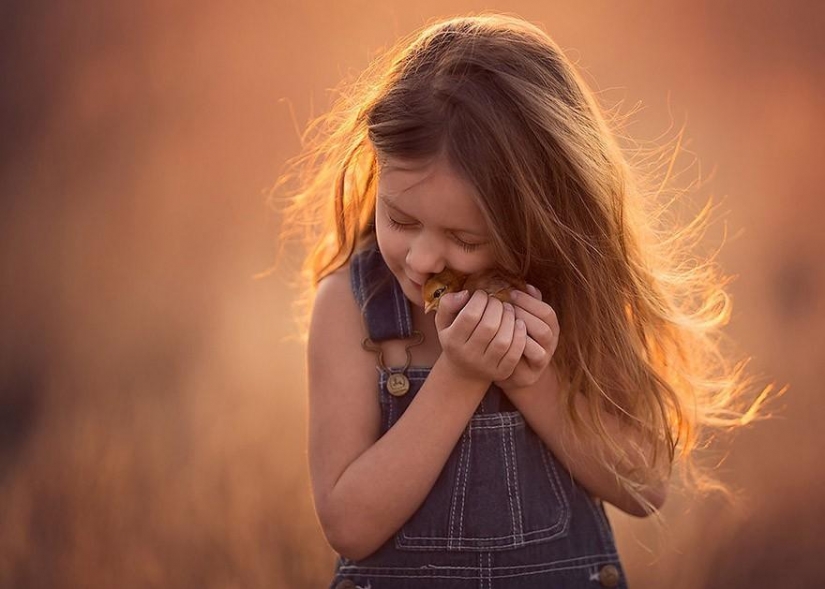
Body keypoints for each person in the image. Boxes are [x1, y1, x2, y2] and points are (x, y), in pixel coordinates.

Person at [278, 13, 775, 588]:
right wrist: (460, 378)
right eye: (401, 218)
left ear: (537, 219)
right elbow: (349, 525)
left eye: (465, 239)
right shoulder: (350, 306)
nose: (419, 260)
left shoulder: (576, 292)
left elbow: (644, 485)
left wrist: (532, 380)